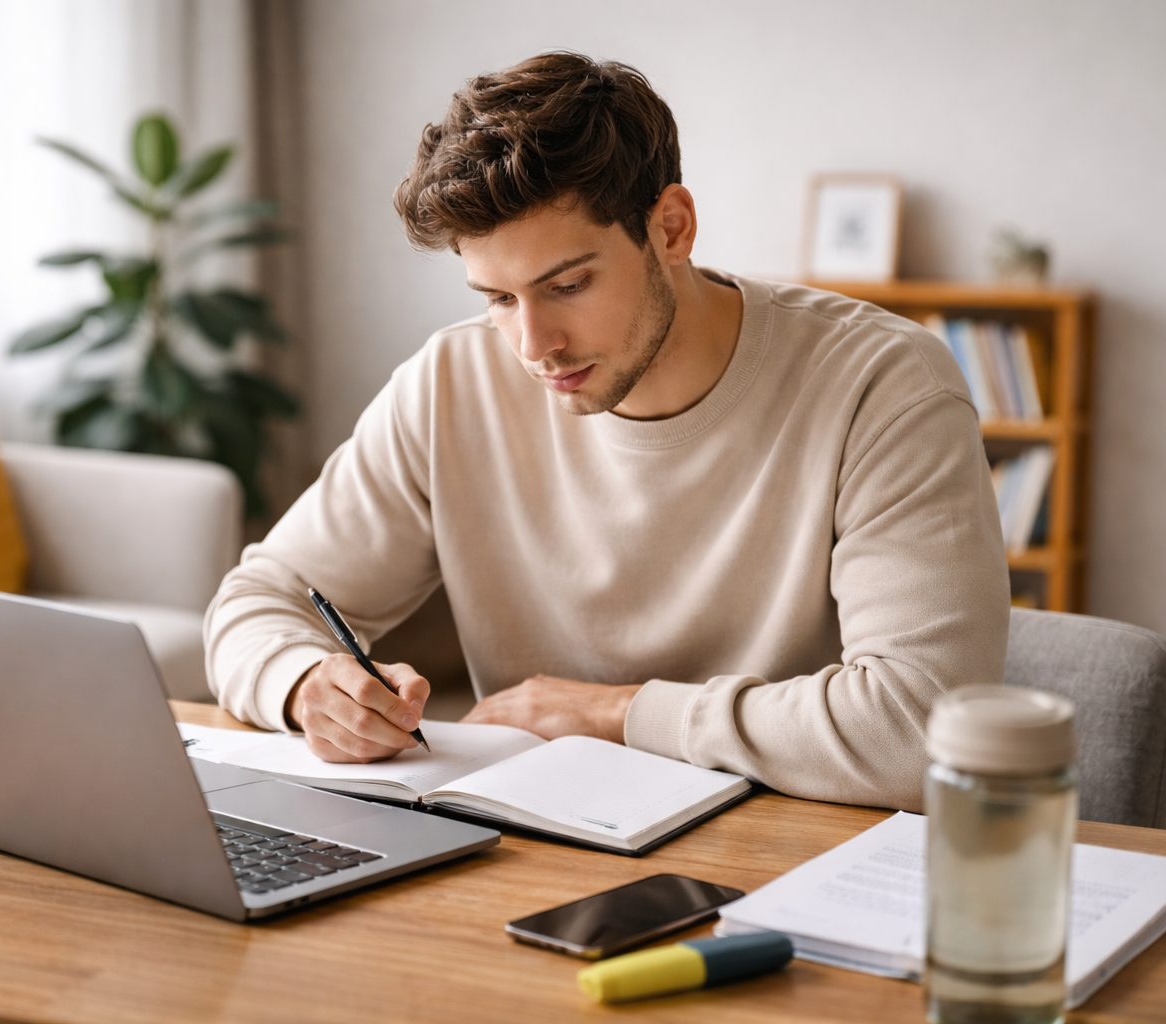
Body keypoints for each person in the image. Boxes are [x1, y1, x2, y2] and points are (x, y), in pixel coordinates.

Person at [204, 51, 1009, 811]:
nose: (532, 345)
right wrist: (304, 681)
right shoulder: (450, 385)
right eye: (497, 298)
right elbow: (260, 599)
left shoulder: (882, 383)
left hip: (788, 855)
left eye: (567, 285)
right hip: (532, 845)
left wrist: (615, 714)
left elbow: (919, 726)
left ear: (671, 228)